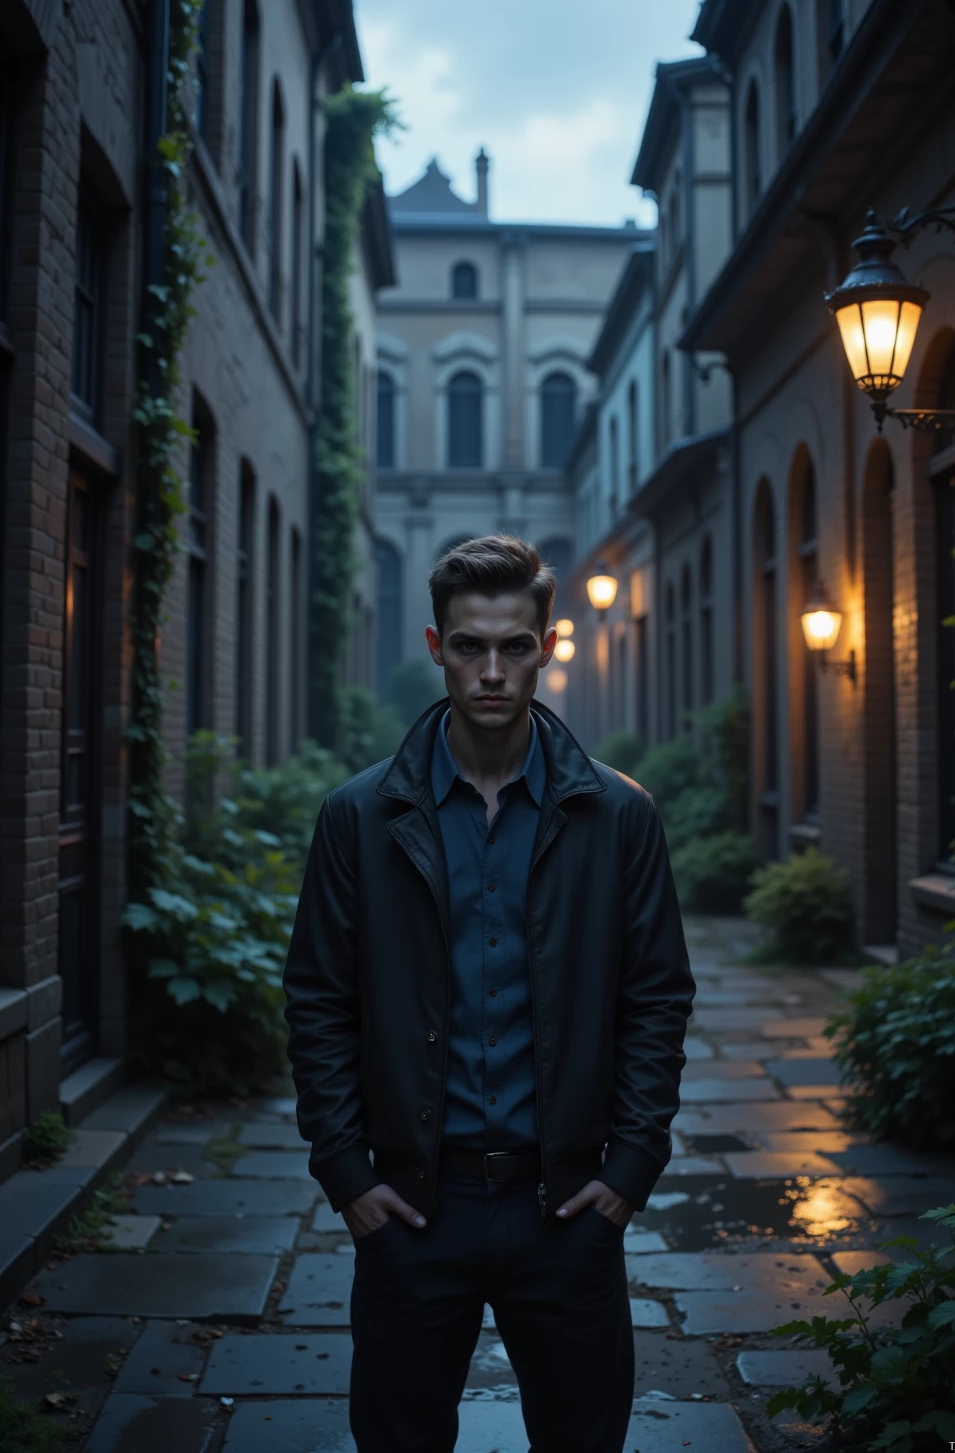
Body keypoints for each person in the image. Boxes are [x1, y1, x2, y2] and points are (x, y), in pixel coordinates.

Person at [283, 533, 695, 1453]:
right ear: (437, 647)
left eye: (516, 646)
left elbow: (657, 997)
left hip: (568, 1208)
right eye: (471, 646)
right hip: (411, 1208)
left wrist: (630, 1169)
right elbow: (317, 999)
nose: (494, 671)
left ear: (546, 645)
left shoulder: (619, 814)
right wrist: (347, 1174)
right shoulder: (359, 816)